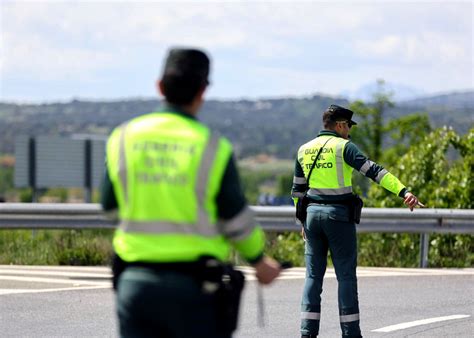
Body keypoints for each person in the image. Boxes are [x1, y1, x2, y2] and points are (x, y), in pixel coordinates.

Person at [101, 48, 281, 338]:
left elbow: (110, 207)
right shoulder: (212, 146)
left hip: (135, 285)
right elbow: (235, 219)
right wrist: (259, 261)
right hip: (196, 291)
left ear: (159, 86)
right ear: (202, 91)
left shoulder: (123, 137)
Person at [291, 105, 421, 338]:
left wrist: (302, 221)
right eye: (348, 126)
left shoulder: (304, 150)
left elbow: (297, 192)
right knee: (346, 277)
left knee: (312, 277)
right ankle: (351, 333)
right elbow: (375, 172)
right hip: (338, 217)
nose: (349, 131)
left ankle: (307, 333)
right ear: (340, 125)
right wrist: (404, 192)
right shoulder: (344, 147)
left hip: (312, 218)